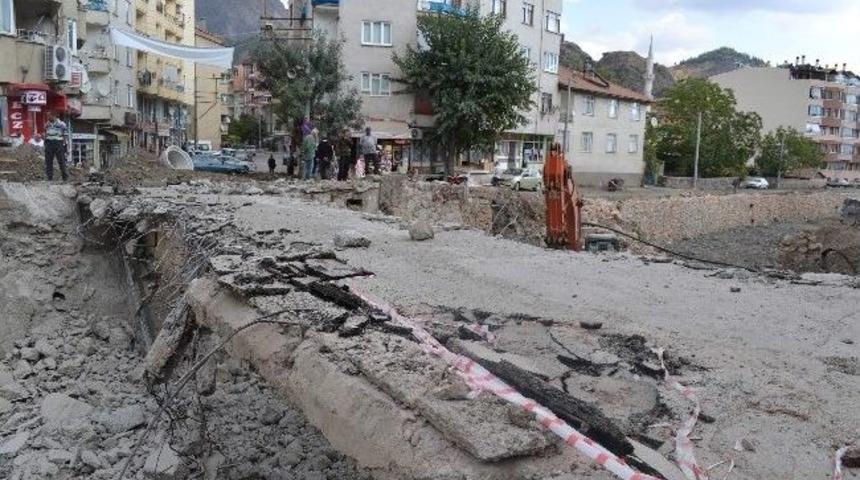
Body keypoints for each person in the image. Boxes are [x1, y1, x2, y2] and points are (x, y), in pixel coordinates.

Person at [44, 114, 69, 182]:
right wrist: (45, 142)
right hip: (49, 143)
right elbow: (45, 133)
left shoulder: (61, 124)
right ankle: (49, 178)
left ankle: (65, 177)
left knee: (61, 161)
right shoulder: (47, 124)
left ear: (54, 116)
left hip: (58, 142)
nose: (48, 117)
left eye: (49, 116)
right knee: (48, 161)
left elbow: (65, 135)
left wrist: (65, 145)